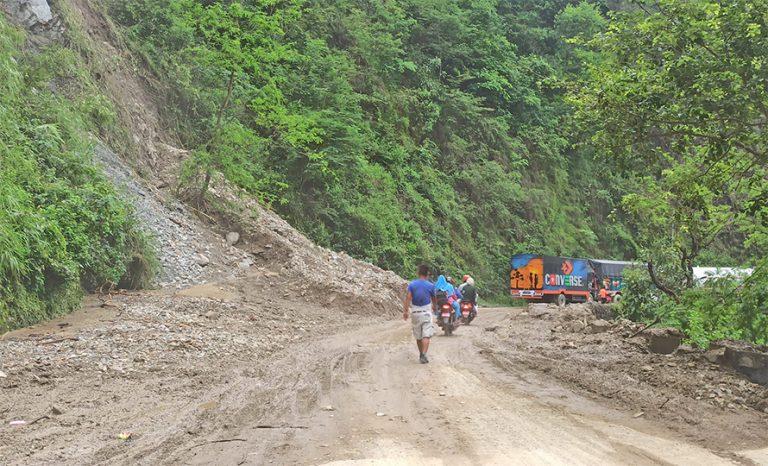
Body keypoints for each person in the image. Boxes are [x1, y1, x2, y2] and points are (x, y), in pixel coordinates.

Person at [403, 264, 436, 364]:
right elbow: (434, 299)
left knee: (418, 336)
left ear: (418, 273)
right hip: (426, 312)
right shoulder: (430, 285)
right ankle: (423, 354)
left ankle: (421, 353)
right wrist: (435, 306)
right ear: (427, 274)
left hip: (415, 312)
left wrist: (405, 311)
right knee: (426, 335)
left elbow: (408, 298)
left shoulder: (412, 285)